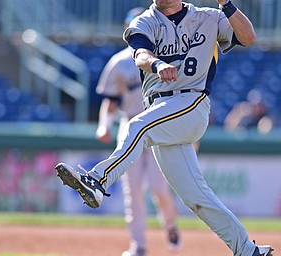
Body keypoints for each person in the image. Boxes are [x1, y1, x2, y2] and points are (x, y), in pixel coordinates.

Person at [55, 1, 273, 255]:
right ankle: (247, 249)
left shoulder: (209, 17)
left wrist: (227, 5)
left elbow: (248, 37)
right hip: (160, 108)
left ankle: (97, 179)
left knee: (138, 126)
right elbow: (141, 55)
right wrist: (157, 65)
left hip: (192, 101)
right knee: (196, 197)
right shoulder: (144, 20)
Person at [95, 7, 181, 256]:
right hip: (130, 124)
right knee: (132, 191)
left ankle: (171, 225)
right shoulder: (119, 62)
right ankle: (139, 245)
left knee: (159, 187)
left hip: (158, 125)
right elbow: (110, 101)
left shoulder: (167, 56)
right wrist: (104, 125)